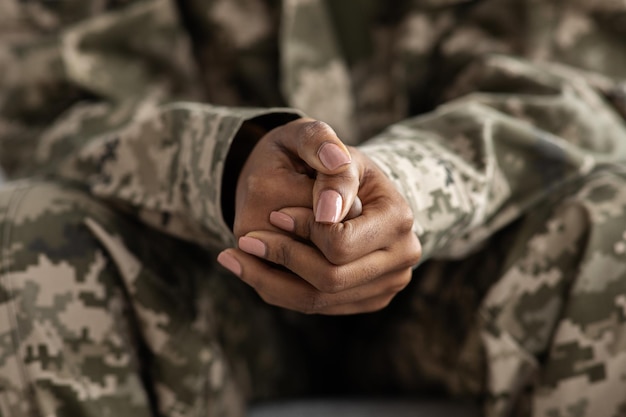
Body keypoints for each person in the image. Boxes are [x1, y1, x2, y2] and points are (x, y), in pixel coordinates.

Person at [1, 0, 625, 416]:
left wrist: (411, 183)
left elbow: (584, 95)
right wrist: (225, 161)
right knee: (24, 231)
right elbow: (39, 114)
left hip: (479, 266)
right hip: (199, 268)